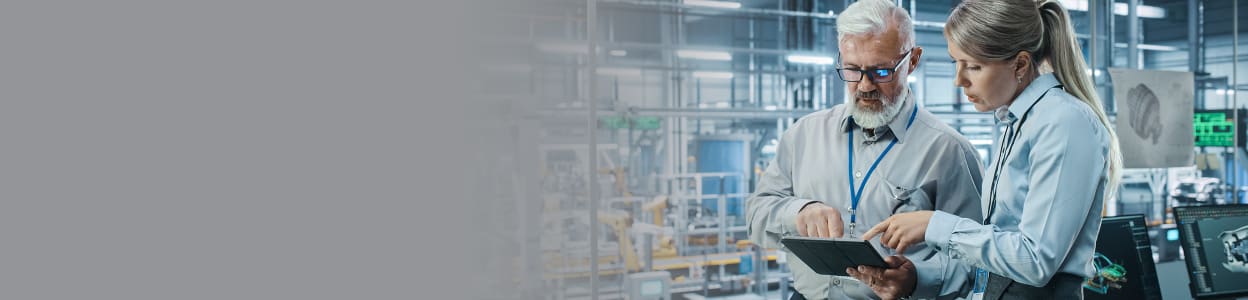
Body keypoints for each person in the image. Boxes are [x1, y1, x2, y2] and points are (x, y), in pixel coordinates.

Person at [851, 0, 1123, 299]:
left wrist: (935, 225)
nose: (959, 80)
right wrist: (916, 277)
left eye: (974, 66)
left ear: (1019, 64)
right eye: (957, 63)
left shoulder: (1063, 122)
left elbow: (1036, 261)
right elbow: (999, 258)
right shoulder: (1019, 123)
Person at [745, 0, 984, 299]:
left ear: (912, 61)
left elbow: (978, 262)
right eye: (852, 70)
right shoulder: (803, 135)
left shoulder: (949, 152)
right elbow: (755, 213)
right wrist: (798, 212)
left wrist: (916, 280)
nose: (865, 86)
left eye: (881, 72)